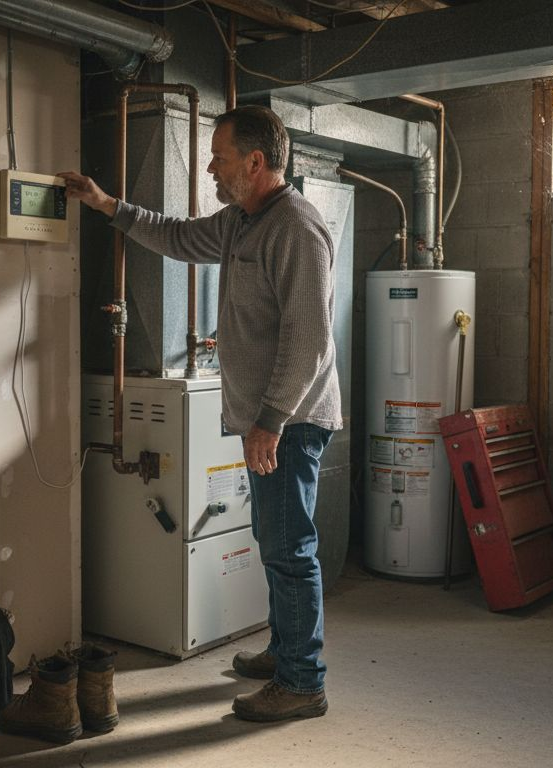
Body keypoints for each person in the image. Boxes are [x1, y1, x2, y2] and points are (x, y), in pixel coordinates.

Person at [58, 104, 342, 723]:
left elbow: (309, 339)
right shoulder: (243, 221)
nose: (210, 167)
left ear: (256, 162)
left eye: (219, 156)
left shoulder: (294, 228)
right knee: (275, 542)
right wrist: (110, 206)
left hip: (289, 422)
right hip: (268, 420)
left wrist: (268, 420)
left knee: (291, 549)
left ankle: (303, 682)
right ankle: (287, 650)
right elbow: (180, 237)